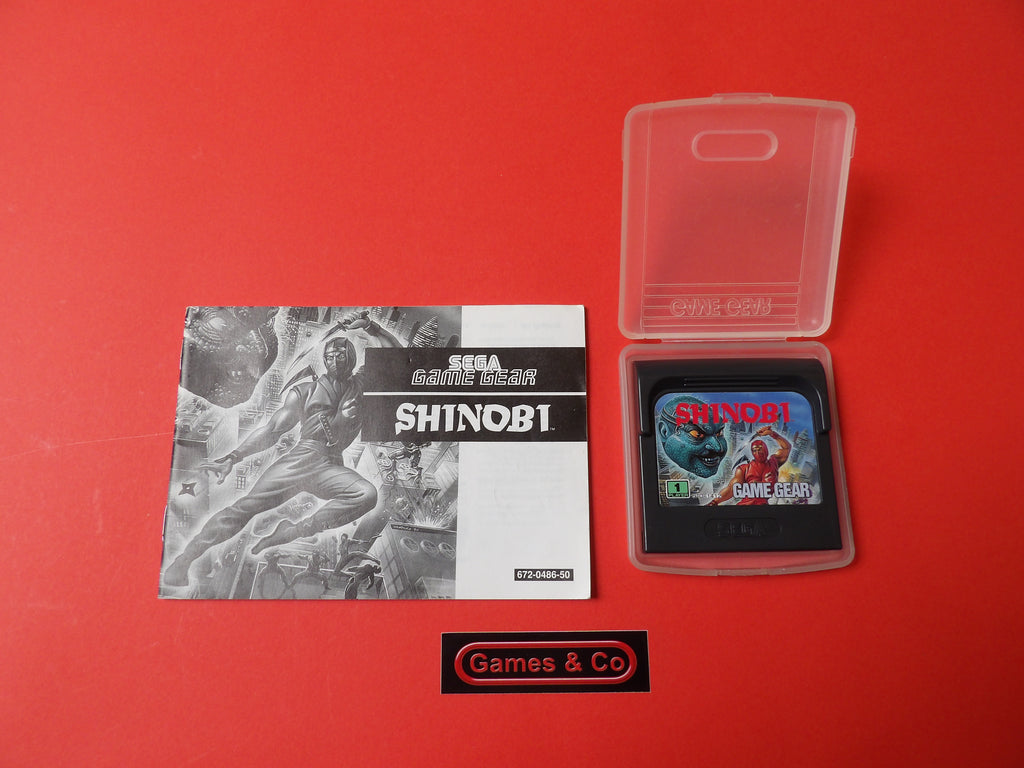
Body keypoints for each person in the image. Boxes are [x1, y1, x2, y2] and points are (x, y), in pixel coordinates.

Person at [163, 314, 397, 587]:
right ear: (324, 359)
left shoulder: (362, 384)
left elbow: (395, 356)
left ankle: (292, 531)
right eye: (330, 356)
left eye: (341, 355)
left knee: (366, 494)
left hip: (331, 465)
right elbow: (272, 430)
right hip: (300, 460)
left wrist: (370, 326)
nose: (335, 360)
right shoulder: (305, 391)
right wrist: (233, 457)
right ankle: (184, 561)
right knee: (242, 510)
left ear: (352, 358)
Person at [710, 426, 791, 506]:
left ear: (765, 449)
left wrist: (772, 434)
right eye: (754, 450)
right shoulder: (744, 469)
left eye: (760, 449)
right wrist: (714, 502)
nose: (758, 452)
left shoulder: (774, 462)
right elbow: (731, 489)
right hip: (746, 505)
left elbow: (787, 448)